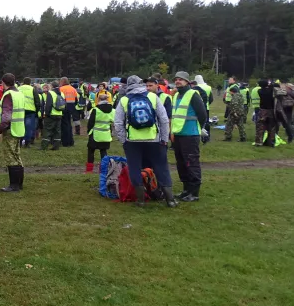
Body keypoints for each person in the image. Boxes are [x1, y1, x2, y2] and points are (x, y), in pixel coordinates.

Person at [113, 75, 177, 208]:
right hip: (154, 140)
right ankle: (170, 200)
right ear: (141, 84)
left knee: (135, 169)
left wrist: (123, 140)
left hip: (133, 141)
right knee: (161, 168)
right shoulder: (153, 97)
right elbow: (164, 120)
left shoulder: (124, 100)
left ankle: (141, 200)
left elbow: (118, 123)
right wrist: (164, 138)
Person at [169, 72, 208, 202]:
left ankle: (194, 192)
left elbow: (202, 115)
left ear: (187, 82)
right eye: (176, 79)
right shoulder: (176, 96)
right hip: (178, 134)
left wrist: (198, 128)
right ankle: (186, 190)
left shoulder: (193, 94)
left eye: (181, 79)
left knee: (191, 163)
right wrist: (172, 132)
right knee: (181, 164)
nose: (178, 81)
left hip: (190, 135)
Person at [0, 74, 25, 192]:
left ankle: (14, 185)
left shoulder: (8, 95)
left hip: (10, 130)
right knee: (17, 156)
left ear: (3, 83)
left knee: (10, 157)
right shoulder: (19, 93)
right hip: (18, 129)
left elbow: (6, 116)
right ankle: (19, 183)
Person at [85, 92, 113, 173]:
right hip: (106, 135)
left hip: (95, 134)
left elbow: (91, 123)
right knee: (103, 151)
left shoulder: (95, 110)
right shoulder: (112, 110)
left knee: (91, 151)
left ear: (98, 99)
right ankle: (104, 170)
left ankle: (89, 170)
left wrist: (88, 131)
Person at [41, 81, 64, 150]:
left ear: (52, 86)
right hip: (59, 114)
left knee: (47, 130)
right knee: (57, 131)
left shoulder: (50, 93)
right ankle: (56, 146)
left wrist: (46, 114)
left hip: (51, 114)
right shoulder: (61, 93)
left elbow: (48, 105)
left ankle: (44, 146)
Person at [255, 79, 277, 147]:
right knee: (271, 127)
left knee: (260, 127)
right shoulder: (271, 91)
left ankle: (259, 142)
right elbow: (274, 86)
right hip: (271, 110)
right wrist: (270, 84)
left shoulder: (260, 91)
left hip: (262, 111)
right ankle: (271, 142)